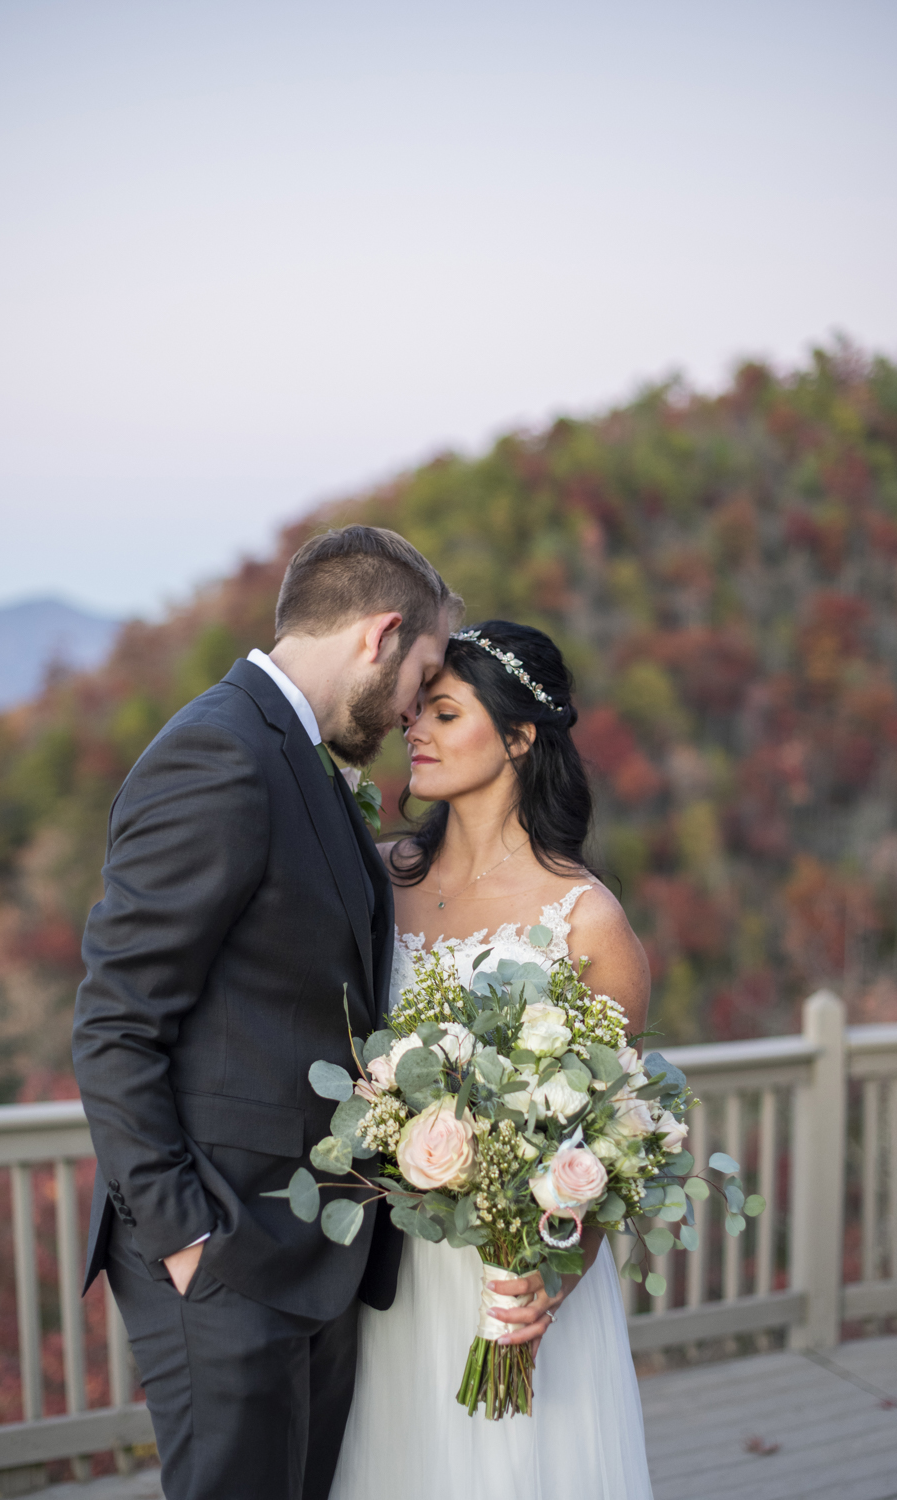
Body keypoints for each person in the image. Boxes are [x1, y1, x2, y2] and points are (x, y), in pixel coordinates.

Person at [72, 525, 460, 1500]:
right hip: (228, 1255)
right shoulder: (219, 753)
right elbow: (115, 1023)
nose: (415, 704)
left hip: (311, 1254)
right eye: (421, 672)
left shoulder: (305, 756)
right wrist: (186, 1241)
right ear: (378, 636)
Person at [331, 620, 654, 1500]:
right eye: (415, 714)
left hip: (508, 1281)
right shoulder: (372, 877)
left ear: (518, 737)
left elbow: (614, 1143)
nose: (415, 731)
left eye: (443, 712)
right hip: (382, 1274)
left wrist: (548, 1275)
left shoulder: (587, 922)